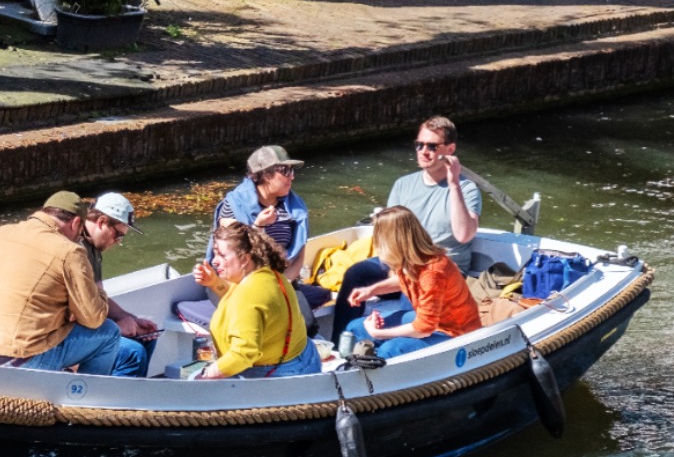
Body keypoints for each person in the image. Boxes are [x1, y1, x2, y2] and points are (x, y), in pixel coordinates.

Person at [0, 191, 145, 377]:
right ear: (77, 222)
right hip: (18, 359)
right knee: (109, 333)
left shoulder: (0, 233)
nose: (79, 239)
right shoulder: (70, 252)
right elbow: (93, 319)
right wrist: (97, 291)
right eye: (79, 234)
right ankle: (85, 399)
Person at [332, 115, 483, 334]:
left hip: (440, 269)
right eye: (419, 145)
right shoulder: (403, 184)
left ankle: (399, 344)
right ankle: (339, 342)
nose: (423, 151)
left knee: (412, 298)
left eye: (432, 146)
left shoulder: (465, 189)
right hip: (401, 262)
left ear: (450, 150)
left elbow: (464, 235)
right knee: (356, 273)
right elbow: (389, 235)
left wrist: (453, 184)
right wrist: (394, 270)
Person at [342, 206, 482, 359]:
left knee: (391, 350)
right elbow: (404, 280)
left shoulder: (433, 272)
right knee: (354, 328)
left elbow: (424, 328)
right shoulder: (411, 260)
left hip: (454, 333)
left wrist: (379, 333)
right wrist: (371, 291)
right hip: (430, 323)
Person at [191, 222, 321, 378]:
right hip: (305, 358)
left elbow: (244, 354)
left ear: (245, 259)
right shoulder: (269, 274)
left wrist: (205, 375)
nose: (214, 261)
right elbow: (243, 300)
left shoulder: (248, 297)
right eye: (215, 253)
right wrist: (214, 283)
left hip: (278, 374)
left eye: (222, 255)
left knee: (194, 380)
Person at [207, 144, 328, 311]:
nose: (292, 176)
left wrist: (281, 284)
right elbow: (233, 255)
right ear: (265, 174)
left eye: (292, 170)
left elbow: (299, 256)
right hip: (237, 284)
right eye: (286, 171)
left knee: (318, 306)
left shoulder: (295, 208)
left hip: (279, 280)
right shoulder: (234, 206)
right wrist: (258, 226)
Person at [81, 192, 158, 377]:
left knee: (145, 339)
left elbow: (100, 297)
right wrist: (117, 328)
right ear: (101, 222)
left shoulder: (94, 249)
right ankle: (109, 403)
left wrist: (130, 319)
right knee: (133, 353)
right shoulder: (77, 251)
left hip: (87, 325)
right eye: (118, 235)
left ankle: (131, 398)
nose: (118, 242)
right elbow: (81, 312)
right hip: (70, 332)